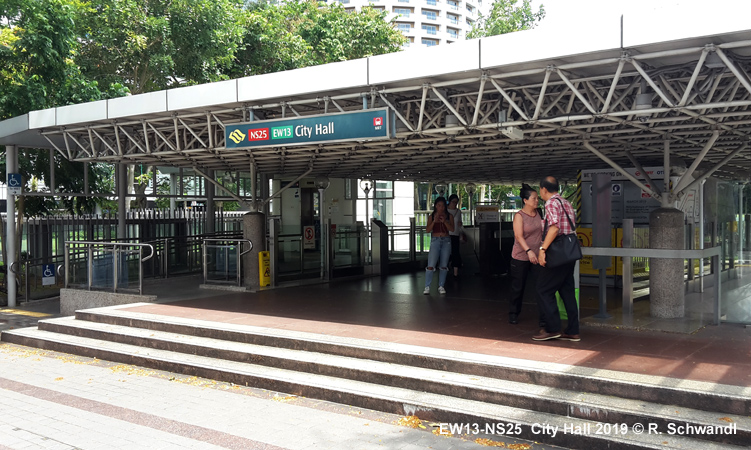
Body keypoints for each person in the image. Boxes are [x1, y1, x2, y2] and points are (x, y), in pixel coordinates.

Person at [534, 176, 580, 342]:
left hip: (558, 253)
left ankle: (552, 329)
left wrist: (542, 249)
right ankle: (573, 330)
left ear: (544, 189)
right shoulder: (566, 202)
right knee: (567, 291)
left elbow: (554, 228)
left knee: (543, 289)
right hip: (569, 253)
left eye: (540, 190)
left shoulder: (551, 203)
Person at [508, 184, 544, 325]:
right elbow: (518, 236)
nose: (537, 201)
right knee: (518, 286)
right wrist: (528, 251)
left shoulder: (539, 213)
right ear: (525, 200)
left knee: (541, 285)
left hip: (537, 256)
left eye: (537, 198)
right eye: (534, 198)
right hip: (521, 257)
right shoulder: (519, 216)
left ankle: (544, 316)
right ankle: (513, 313)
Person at [424, 196, 454, 295]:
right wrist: (434, 221)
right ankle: (427, 286)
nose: (441, 208)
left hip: (446, 240)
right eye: (439, 206)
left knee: (444, 265)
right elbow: (428, 230)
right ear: (436, 206)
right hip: (435, 239)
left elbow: (452, 229)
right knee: (431, 264)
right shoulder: (431, 216)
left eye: (443, 206)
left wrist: (444, 221)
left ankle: (441, 285)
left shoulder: (449, 216)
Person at [447, 194, 464, 277]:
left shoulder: (458, 212)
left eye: (456, 202)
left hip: (455, 234)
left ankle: (455, 272)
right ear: (449, 202)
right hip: (446, 234)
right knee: (446, 252)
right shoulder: (445, 211)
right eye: (453, 202)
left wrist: (460, 225)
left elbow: (460, 222)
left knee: (455, 252)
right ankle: (446, 268)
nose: (455, 204)